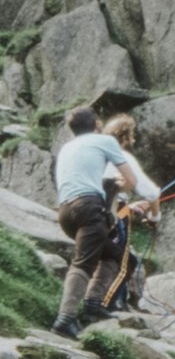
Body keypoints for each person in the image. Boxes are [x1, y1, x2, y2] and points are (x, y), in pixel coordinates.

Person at [51, 106, 154, 338]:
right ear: (97, 125)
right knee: (83, 263)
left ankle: (92, 306)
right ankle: (65, 319)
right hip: (90, 209)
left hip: (66, 212)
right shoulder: (105, 142)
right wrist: (121, 188)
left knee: (113, 253)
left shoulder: (67, 148)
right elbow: (131, 181)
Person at [100, 114, 161, 311]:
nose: (132, 140)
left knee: (114, 259)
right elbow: (152, 192)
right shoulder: (122, 158)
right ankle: (106, 305)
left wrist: (131, 207)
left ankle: (116, 302)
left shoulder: (97, 154)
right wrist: (154, 216)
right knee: (124, 263)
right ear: (125, 137)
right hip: (114, 214)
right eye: (131, 135)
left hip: (93, 209)